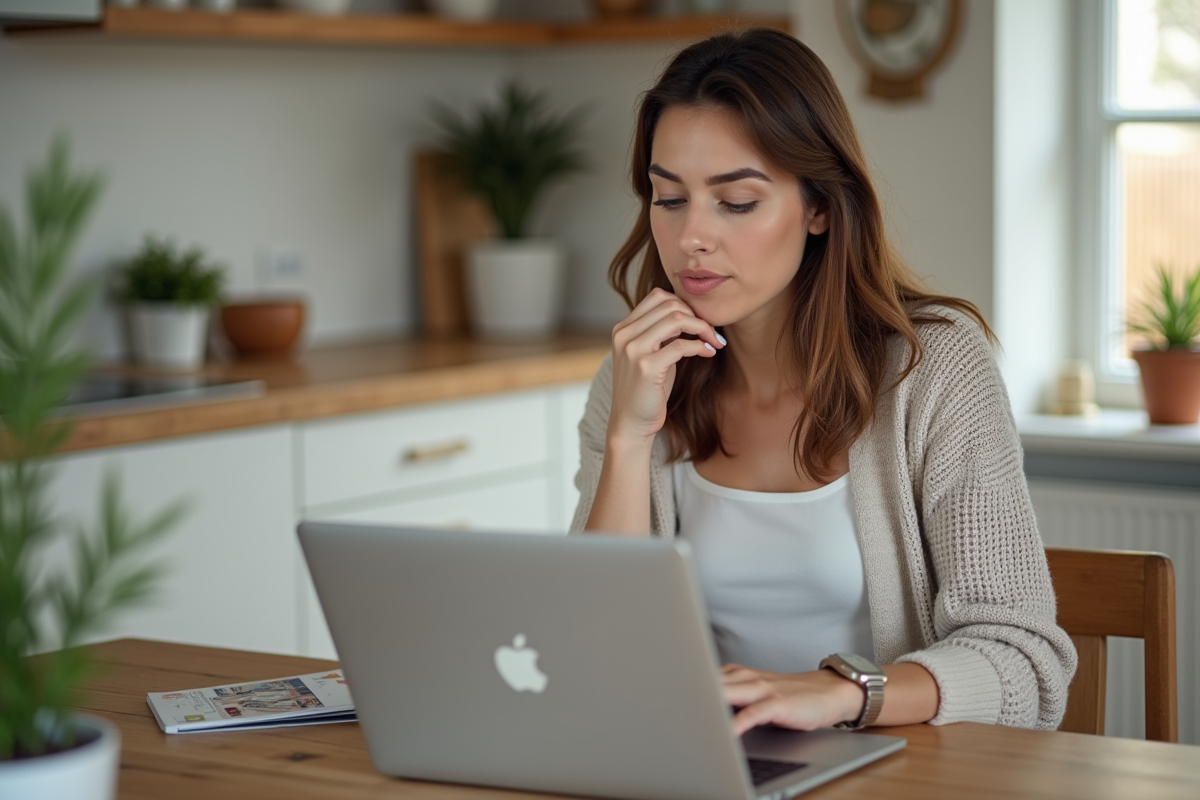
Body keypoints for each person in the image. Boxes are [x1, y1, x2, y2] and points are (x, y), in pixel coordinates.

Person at [570, 28, 1076, 735]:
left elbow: (1023, 662)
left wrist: (842, 693)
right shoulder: (634, 379)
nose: (691, 238)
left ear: (819, 207)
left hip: (903, 775)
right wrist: (627, 439)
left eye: (736, 201)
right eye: (667, 198)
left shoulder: (934, 372)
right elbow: (595, 651)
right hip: (709, 770)